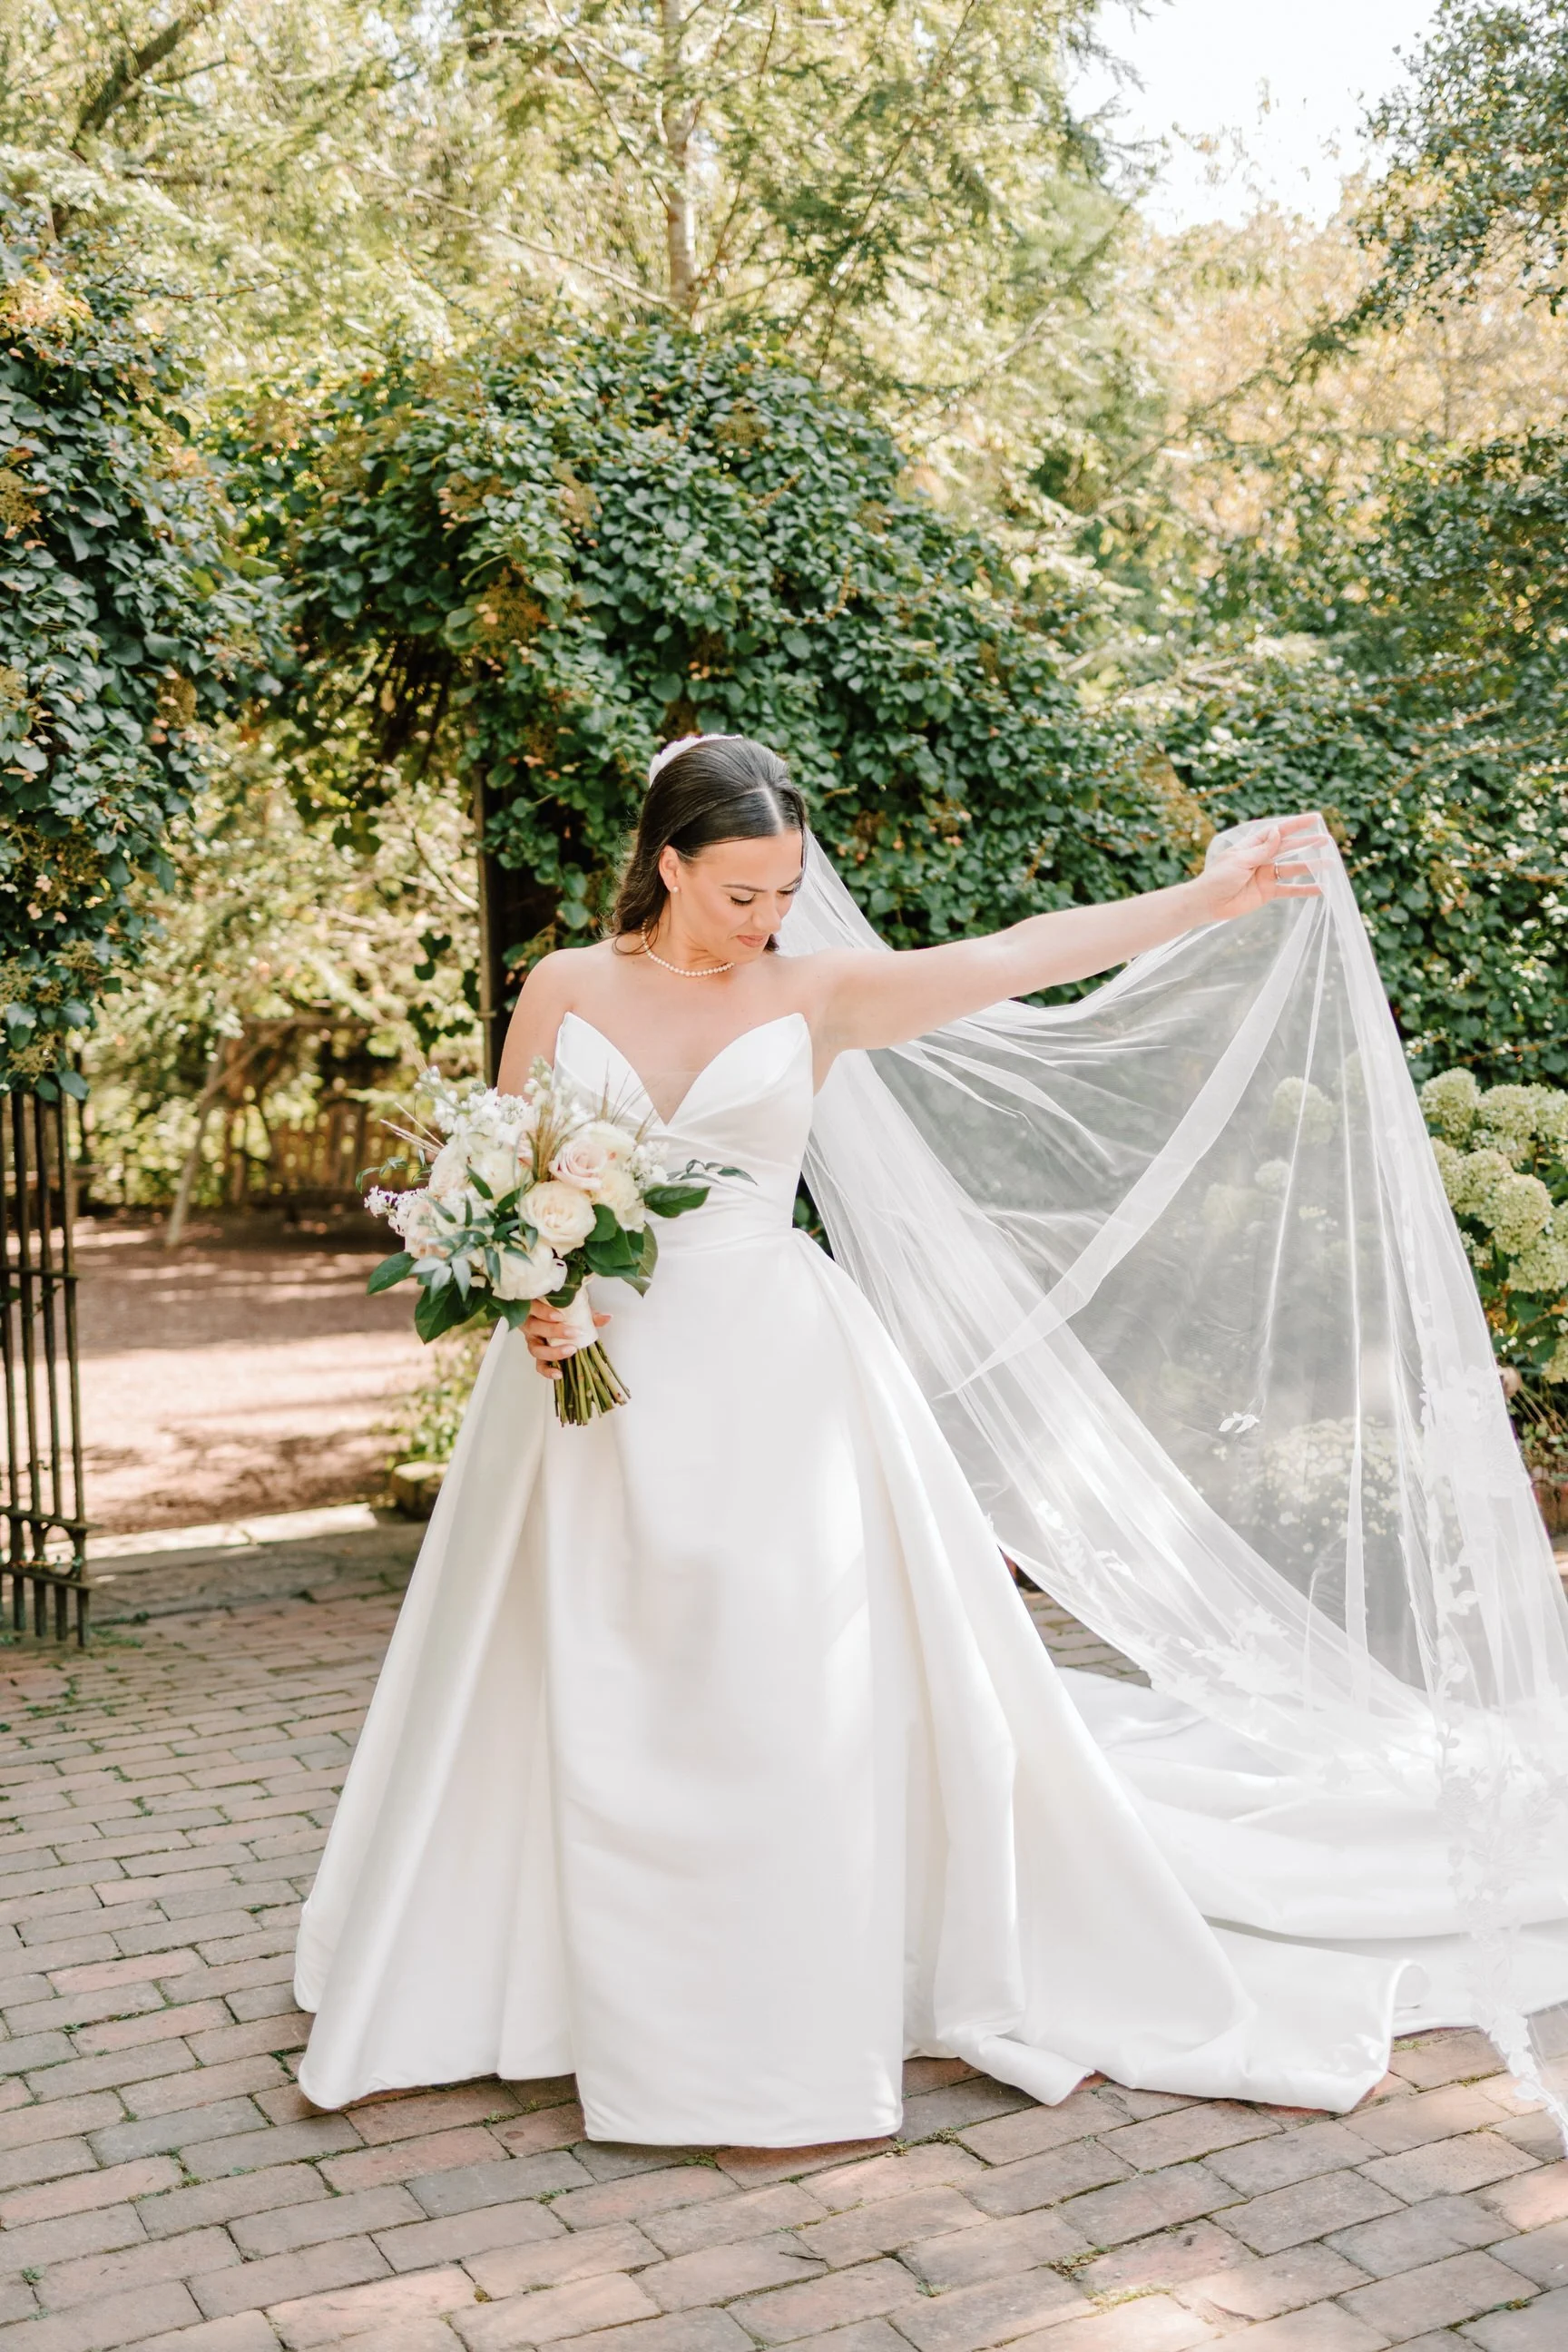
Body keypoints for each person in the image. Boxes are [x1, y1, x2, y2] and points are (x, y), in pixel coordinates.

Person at [294, 733, 1568, 2143]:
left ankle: (785, 1984)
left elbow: (1018, 954)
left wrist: (1202, 901)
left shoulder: (819, 991)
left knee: (781, 1670)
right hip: (583, 1381)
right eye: (738, 892)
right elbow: (503, 1161)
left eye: (785, 889)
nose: (767, 917)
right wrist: (525, 1303)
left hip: (770, 1377)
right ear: (664, 863)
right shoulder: (565, 988)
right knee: (572, 1659)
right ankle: (529, 1975)